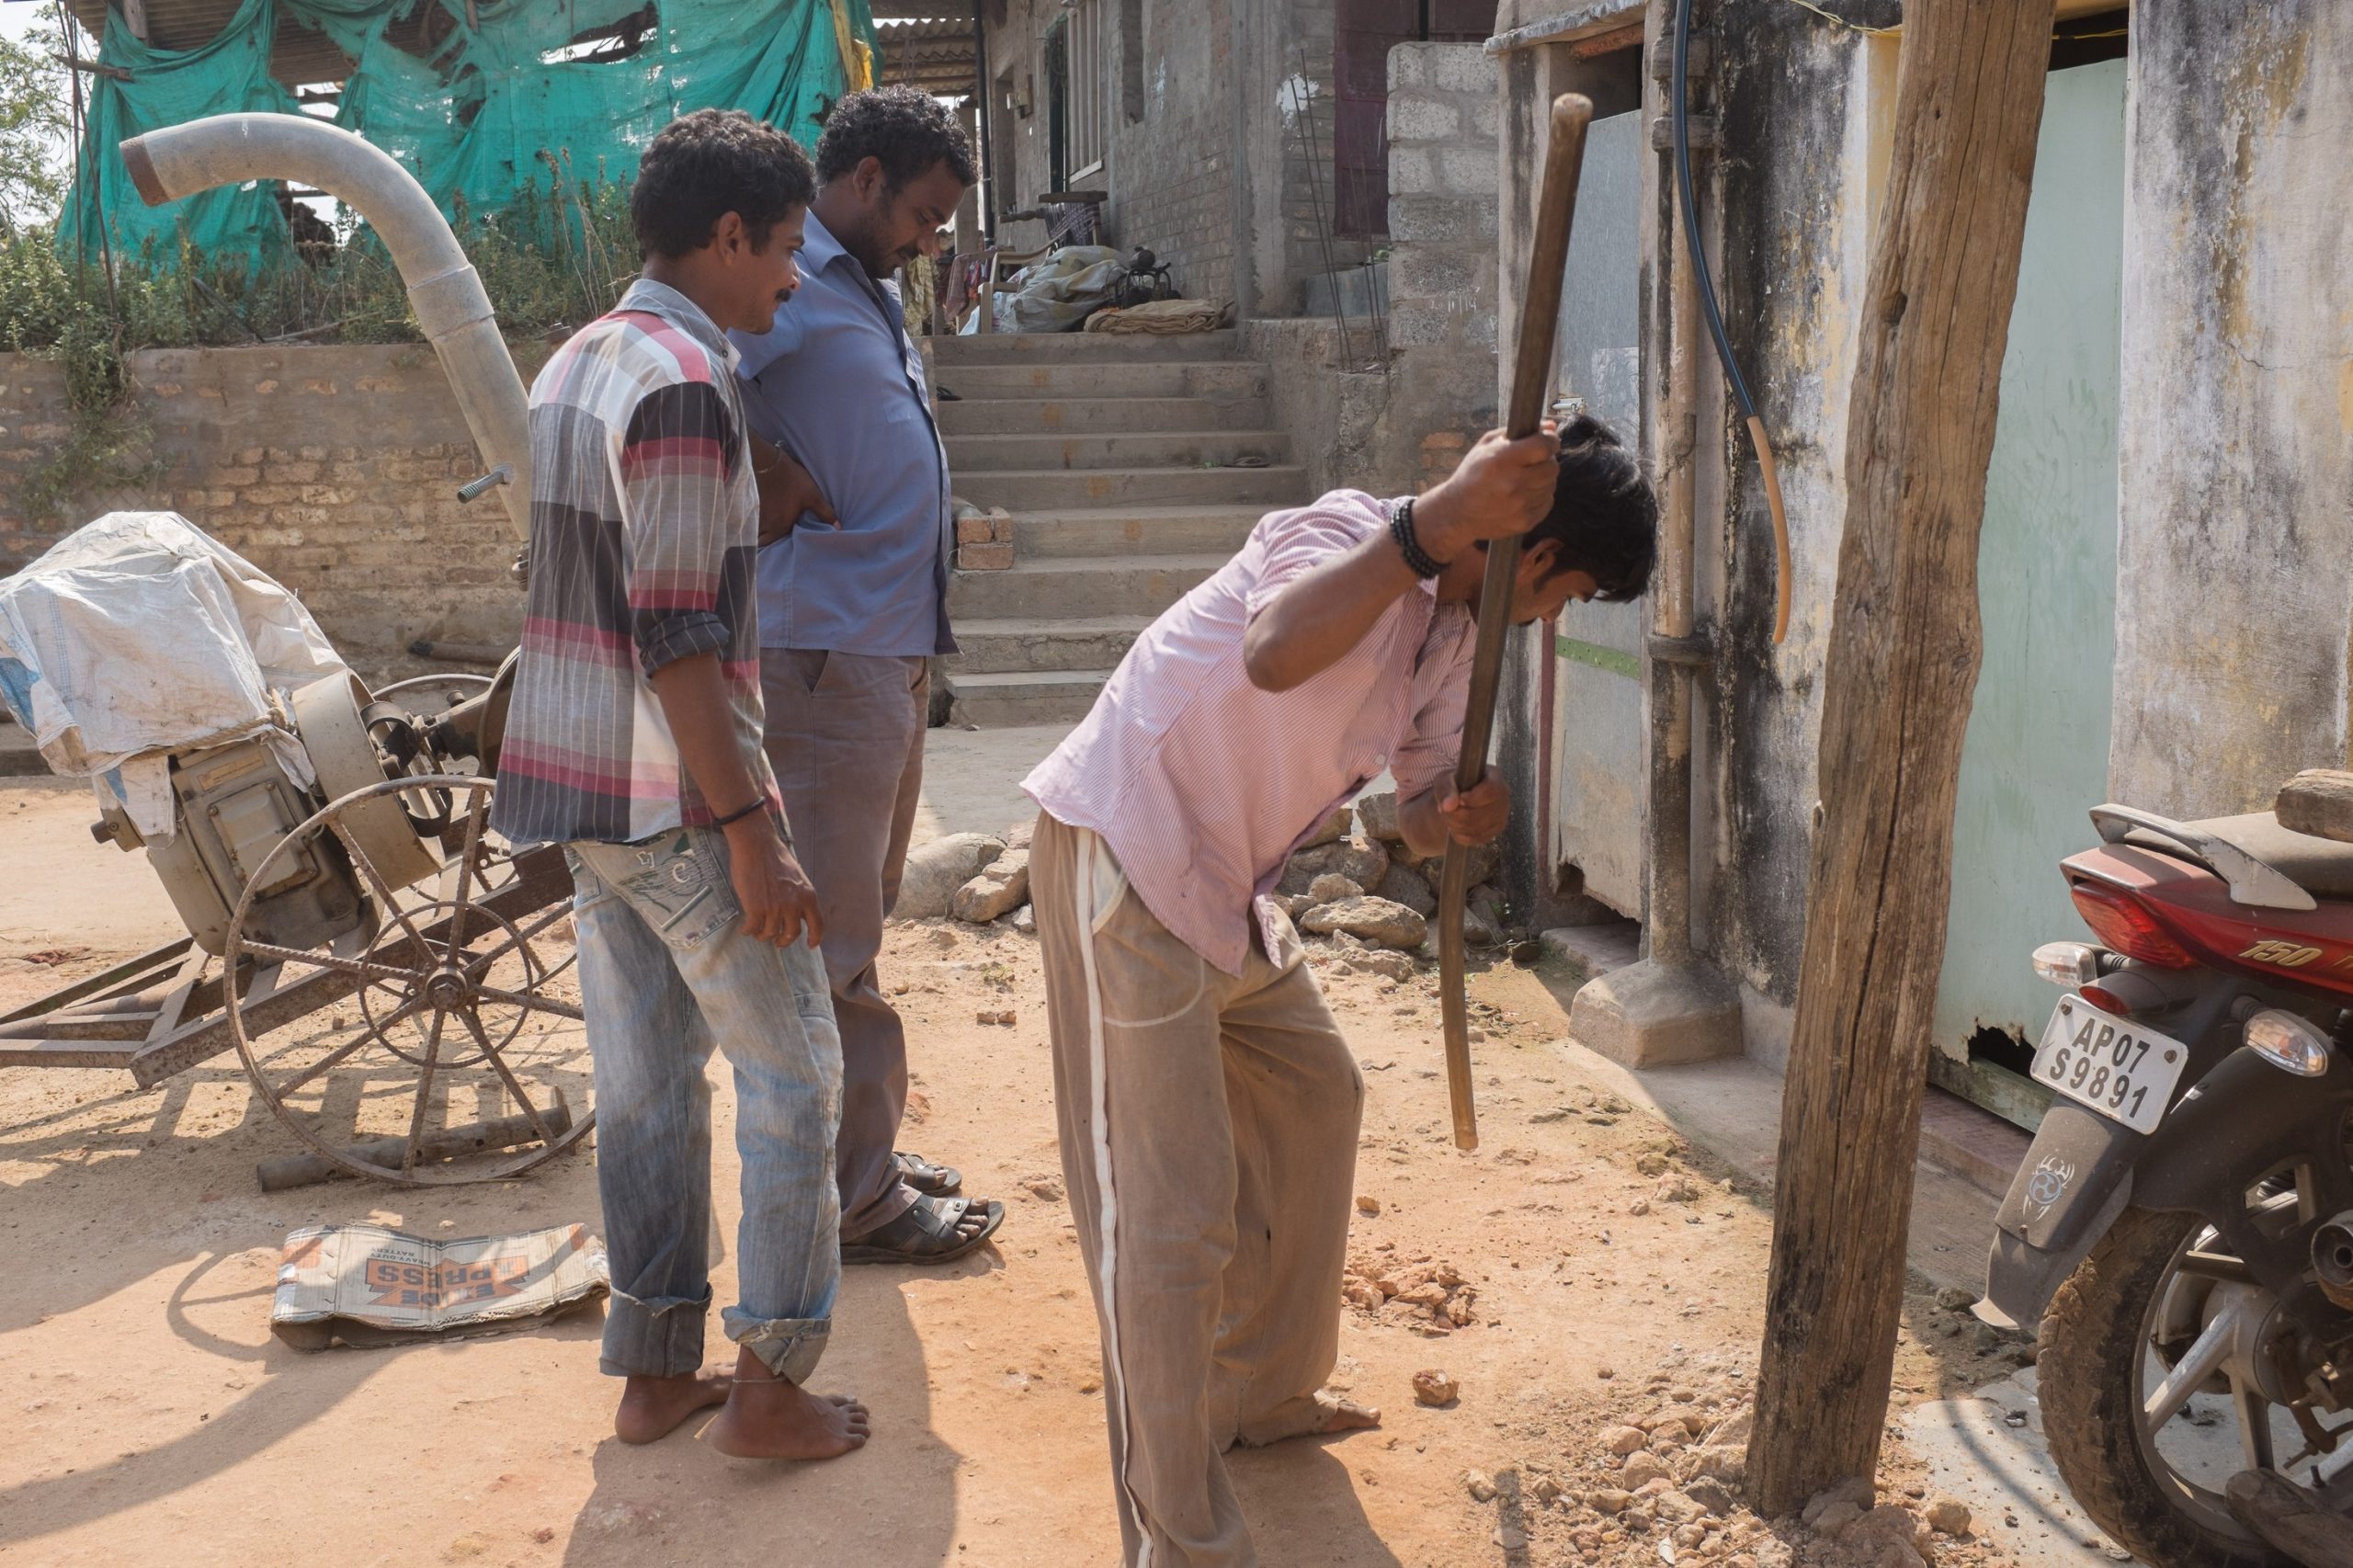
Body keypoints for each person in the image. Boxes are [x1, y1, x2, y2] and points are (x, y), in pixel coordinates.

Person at [1021, 418, 1660, 1564]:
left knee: (1318, 1094)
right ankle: (1180, 1538)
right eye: (1568, 595)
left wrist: (1460, 814)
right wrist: (1433, 522)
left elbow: (1414, 807)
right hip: (1128, 850)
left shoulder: (1457, 636)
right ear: (1539, 551)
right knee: (1169, 1220)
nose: (1553, 620)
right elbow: (1272, 649)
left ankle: (1261, 1394)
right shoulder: (1349, 534)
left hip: (1222, 887)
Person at [491, 108, 868, 1461]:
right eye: (781, 252)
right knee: (795, 1076)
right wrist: (753, 830)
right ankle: (771, 1385)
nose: (791, 280)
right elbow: (678, 633)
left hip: (582, 799)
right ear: (725, 238)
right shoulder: (684, 383)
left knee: (649, 1085)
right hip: (675, 803)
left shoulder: (577, 362)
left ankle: (656, 1368)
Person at [729, 85, 1005, 1265]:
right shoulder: (789, 281)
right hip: (820, 651)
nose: (933, 239)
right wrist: (770, 474)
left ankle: (860, 1155)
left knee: (859, 917)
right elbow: (680, 375)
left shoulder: (866, 286)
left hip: (879, 649)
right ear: (866, 178)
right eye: (926, 214)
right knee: (831, 936)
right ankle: (860, 1198)